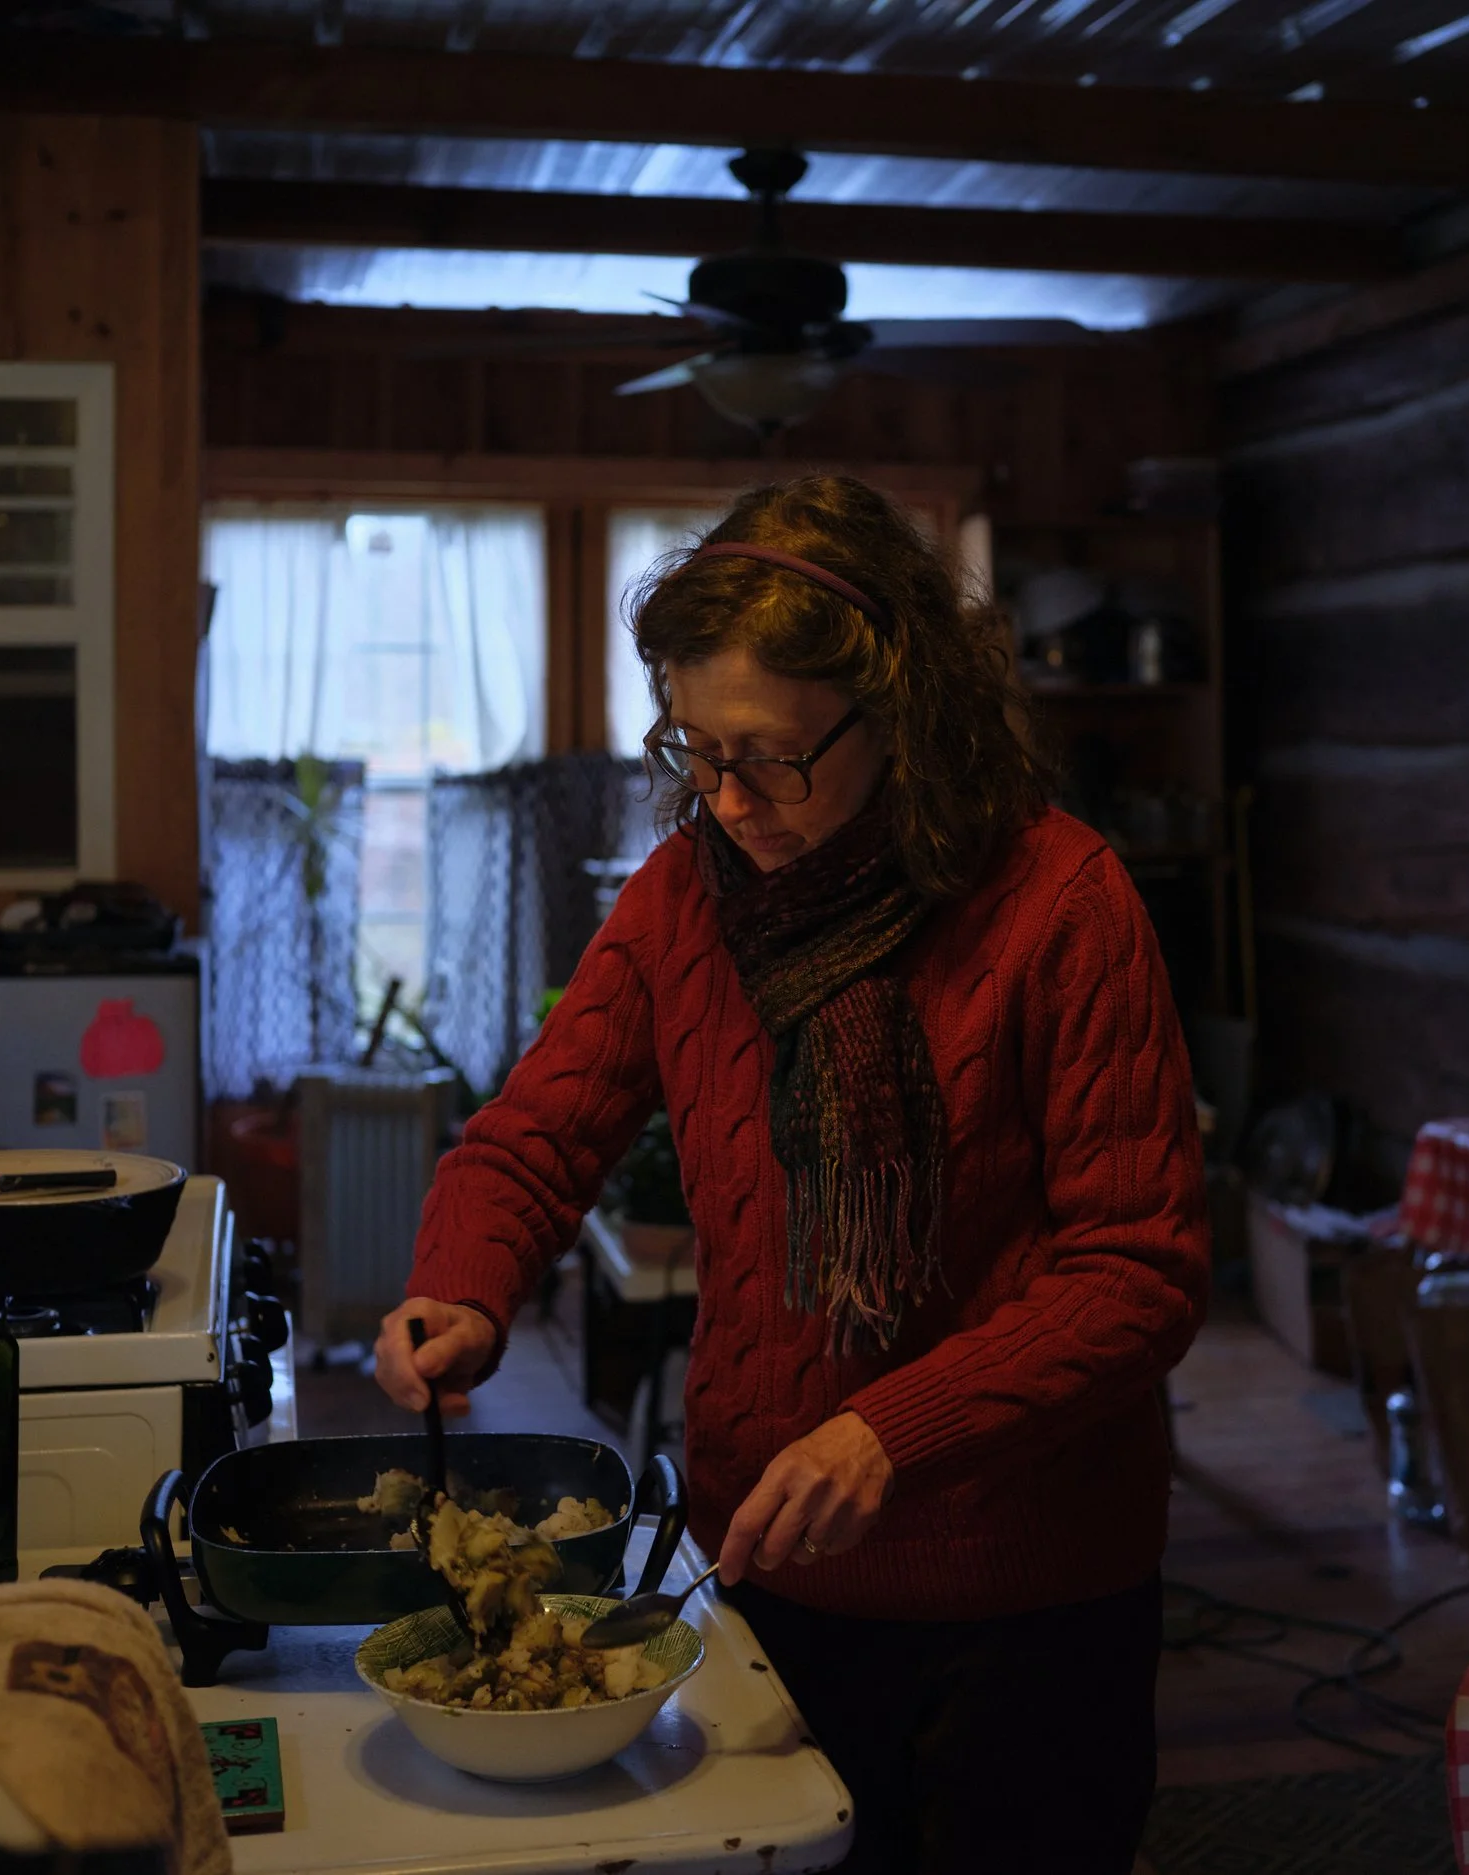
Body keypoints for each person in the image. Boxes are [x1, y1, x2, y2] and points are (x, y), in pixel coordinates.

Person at [375, 473, 1209, 1873]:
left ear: (899, 717)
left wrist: (895, 1428)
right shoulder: (685, 896)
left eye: (768, 756)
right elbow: (530, 1139)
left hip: (1025, 1591)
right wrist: (460, 1289)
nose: (723, 797)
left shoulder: (1063, 902)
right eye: (692, 746)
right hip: (766, 1567)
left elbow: (1139, 1272)